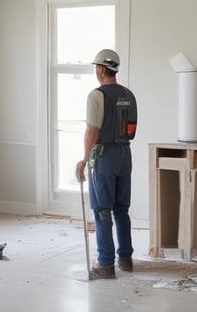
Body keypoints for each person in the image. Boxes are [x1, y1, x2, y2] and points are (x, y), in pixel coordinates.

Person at [75, 48, 138, 279]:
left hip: (104, 157)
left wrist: (84, 159)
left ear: (101, 69)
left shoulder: (96, 95)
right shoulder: (129, 95)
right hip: (125, 155)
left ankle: (105, 264)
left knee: (102, 211)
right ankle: (126, 259)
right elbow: (131, 129)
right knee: (122, 209)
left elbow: (92, 131)